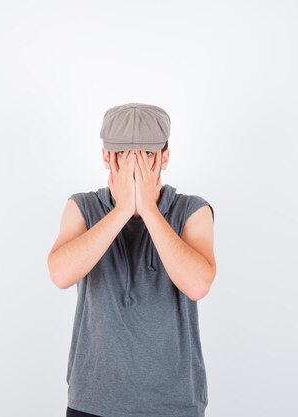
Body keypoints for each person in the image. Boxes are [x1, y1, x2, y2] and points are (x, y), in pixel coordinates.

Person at [48, 103, 216, 417]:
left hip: (174, 406)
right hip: (92, 404)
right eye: (125, 154)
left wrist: (149, 210)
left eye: (147, 154)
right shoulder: (82, 207)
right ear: (106, 157)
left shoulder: (193, 210)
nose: (135, 166)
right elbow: (60, 274)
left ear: (165, 157)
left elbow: (197, 284)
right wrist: (122, 210)